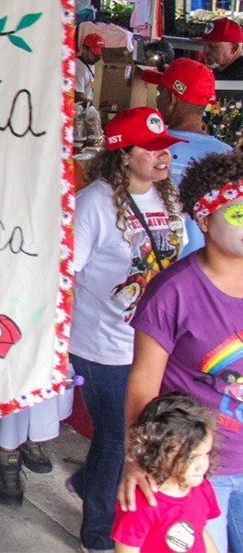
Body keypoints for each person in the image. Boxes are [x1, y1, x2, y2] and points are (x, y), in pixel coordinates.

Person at [72, 106, 188, 552]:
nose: (164, 157)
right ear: (123, 154)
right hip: (103, 346)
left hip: (153, 343)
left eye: (166, 149)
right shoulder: (94, 205)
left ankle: (89, 482)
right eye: (153, 148)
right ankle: (98, 532)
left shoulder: (166, 198)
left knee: (132, 436)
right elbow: (65, 274)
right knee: (120, 438)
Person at [123, 152, 243, 553]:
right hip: (202, 466)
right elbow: (144, 382)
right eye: (239, 212)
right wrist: (139, 459)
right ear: (205, 221)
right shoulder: (173, 291)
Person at [141, 57, 232, 257]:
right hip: (202, 270)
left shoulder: (143, 149)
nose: (158, 100)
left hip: (146, 264)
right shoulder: (228, 157)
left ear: (172, 99)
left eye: (160, 92)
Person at [113, 393, 219, 553]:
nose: (202, 465)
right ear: (159, 453)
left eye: (206, 453)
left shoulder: (201, 488)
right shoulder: (141, 505)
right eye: (191, 457)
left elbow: (199, 531)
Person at [77, 33, 104, 106]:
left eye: (99, 54)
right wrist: (95, 104)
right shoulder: (78, 67)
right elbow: (77, 96)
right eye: (94, 53)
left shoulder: (96, 65)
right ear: (84, 49)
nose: (98, 57)